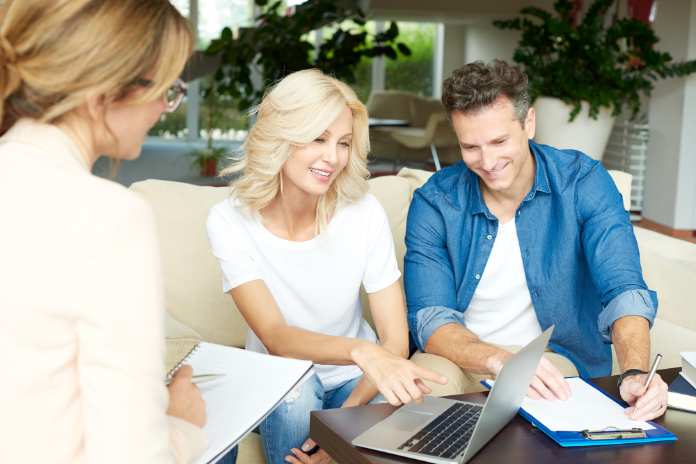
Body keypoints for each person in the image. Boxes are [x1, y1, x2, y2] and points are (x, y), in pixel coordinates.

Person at [0, 1, 235, 462]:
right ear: (105, 88)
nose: (165, 109)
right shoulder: (109, 216)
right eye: (168, 89)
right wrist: (182, 425)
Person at [404, 60, 668, 421]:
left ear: (529, 122)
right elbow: (431, 319)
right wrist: (499, 360)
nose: (488, 161)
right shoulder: (435, 201)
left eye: (499, 141)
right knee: (418, 403)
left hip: (552, 356)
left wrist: (635, 372)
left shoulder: (582, 182)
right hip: (458, 355)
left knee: (543, 414)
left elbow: (623, 289)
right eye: (471, 147)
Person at [207, 68, 447, 464]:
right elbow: (277, 337)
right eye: (318, 139)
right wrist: (361, 351)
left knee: (398, 398)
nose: (332, 158)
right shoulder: (229, 219)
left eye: (343, 143)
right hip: (283, 378)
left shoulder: (364, 212)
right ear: (281, 137)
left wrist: (339, 436)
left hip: (352, 380)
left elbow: (394, 342)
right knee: (297, 393)